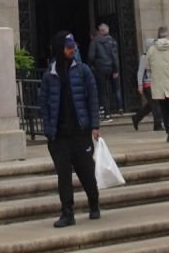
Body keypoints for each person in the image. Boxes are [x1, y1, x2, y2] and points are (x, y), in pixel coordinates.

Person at [37, 31, 102, 228]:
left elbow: (92, 98)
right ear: (60, 49)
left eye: (73, 46)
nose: (72, 50)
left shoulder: (83, 71)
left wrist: (95, 125)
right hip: (60, 136)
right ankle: (67, 212)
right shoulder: (50, 75)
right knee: (63, 176)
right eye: (68, 47)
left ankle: (94, 203)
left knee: (87, 173)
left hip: (80, 133)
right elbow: (44, 104)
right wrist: (49, 130)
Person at [87, 22, 121, 119]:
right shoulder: (112, 41)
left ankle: (107, 113)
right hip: (111, 67)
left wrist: (90, 65)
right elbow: (115, 57)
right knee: (115, 87)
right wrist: (116, 69)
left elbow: (91, 56)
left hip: (100, 68)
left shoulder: (94, 42)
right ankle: (120, 106)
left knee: (103, 91)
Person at [132, 35, 163, 131]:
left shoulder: (156, 56)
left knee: (151, 105)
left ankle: (137, 118)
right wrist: (140, 85)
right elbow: (140, 71)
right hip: (147, 84)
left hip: (156, 84)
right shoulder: (144, 57)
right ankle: (157, 125)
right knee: (156, 105)